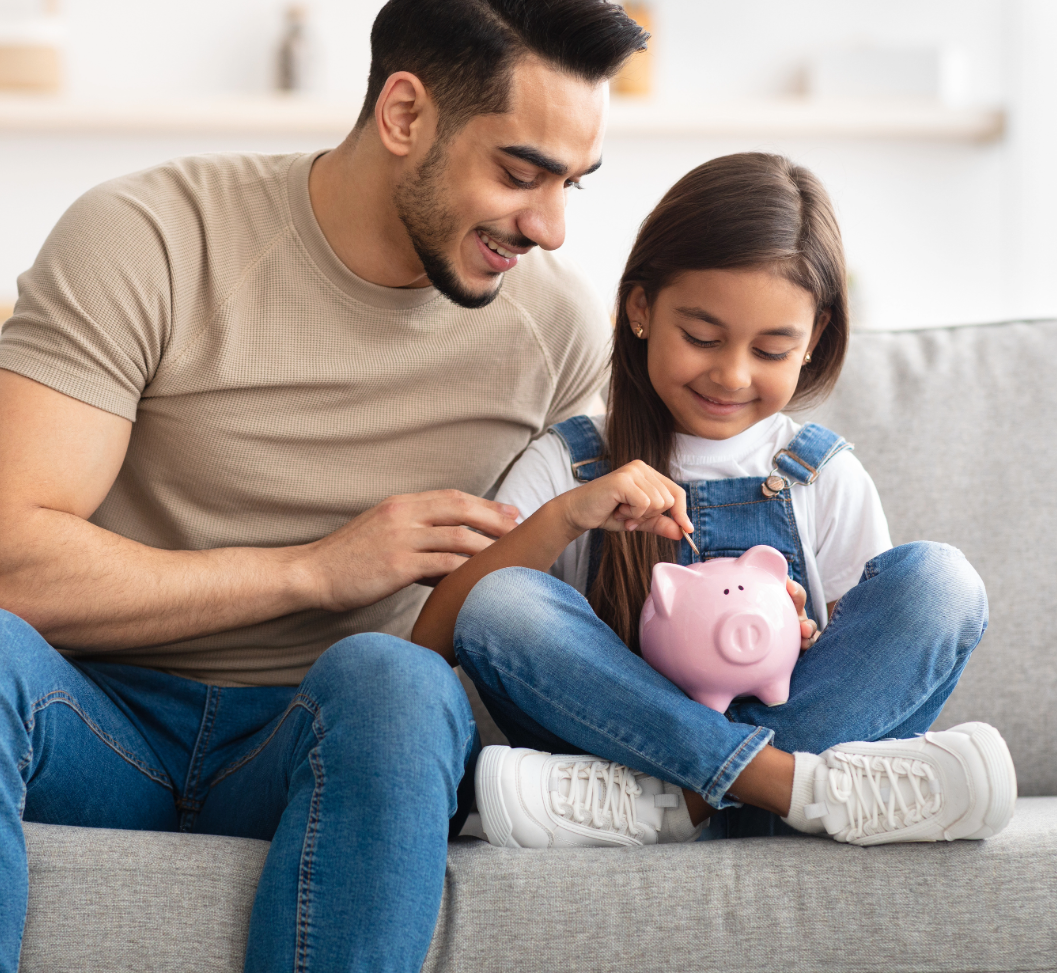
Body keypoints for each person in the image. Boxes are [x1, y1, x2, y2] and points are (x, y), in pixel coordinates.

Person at [0, 0, 648, 973]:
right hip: (92, 714)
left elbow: (594, 594)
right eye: (523, 172)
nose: (553, 226)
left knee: (398, 683)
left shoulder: (553, 333)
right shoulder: (149, 237)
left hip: (324, 737)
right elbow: (0, 564)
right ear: (404, 113)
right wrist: (314, 571)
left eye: (576, 183)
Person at [412, 152, 1018, 849]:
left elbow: (866, 667)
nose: (731, 374)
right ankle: (793, 792)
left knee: (941, 584)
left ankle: (674, 804)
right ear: (640, 308)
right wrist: (567, 515)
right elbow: (439, 641)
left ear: (813, 337)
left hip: (621, 784)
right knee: (501, 600)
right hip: (614, 744)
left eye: (770, 350)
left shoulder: (822, 474)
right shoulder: (573, 461)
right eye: (702, 337)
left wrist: (807, 633)